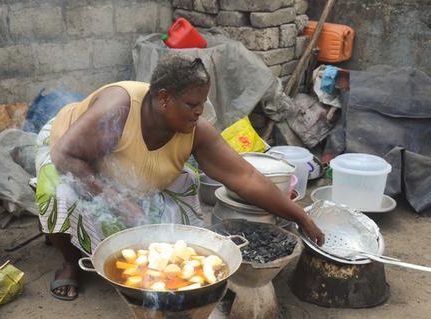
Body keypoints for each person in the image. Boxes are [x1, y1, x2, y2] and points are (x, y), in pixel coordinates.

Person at [35, 55, 324, 300]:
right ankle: (71, 262)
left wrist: (300, 216)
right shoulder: (118, 109)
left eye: (203, 103)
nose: (200, 111)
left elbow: (245, 177)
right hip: (68, 151)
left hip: (132, 172)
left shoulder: (195, 129)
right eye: (191, 104)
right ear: (163, 99)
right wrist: (117, 200)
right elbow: (66, 156)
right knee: (62, 193)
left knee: (183, 185)